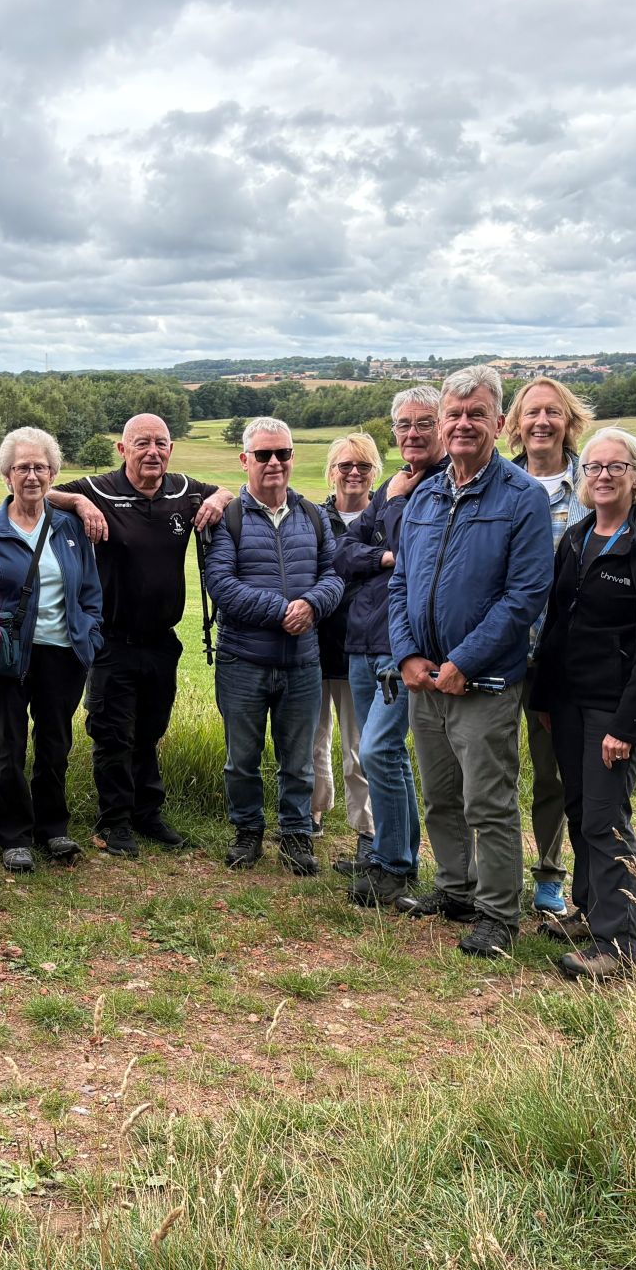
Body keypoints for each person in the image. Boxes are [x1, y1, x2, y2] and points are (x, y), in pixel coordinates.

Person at [388, 367, 553, 957]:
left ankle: (499, 912)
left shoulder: (522, 498)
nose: (462, 424)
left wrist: (461, 660)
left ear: (498, 422)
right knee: (439, 794)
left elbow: (525, 594)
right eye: (453, 415)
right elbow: (401, 581)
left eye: (475, 414)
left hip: (482, 681)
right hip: (423, 680)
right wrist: (406, 653)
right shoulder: (426, 495)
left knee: (487, 800)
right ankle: (455, 889)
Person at [531, 428, 636, 981]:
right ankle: (589, 909)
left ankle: (617, 944)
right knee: (579, 811)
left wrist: (627, 725)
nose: (601, 476)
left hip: (613, 709)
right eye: (593, 467)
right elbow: (556, 629)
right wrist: (546, 698)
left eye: (615, 467)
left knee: (605, 818)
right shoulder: (577, 539)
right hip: (568, 704)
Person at [50, 413, 228, 856]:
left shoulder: (184, 491)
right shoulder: (98, 488)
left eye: (161, 443)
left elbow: (227, 489)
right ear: (122, 449)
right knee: (113, 734)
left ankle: (148, 814)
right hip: (112, 640)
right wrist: (81, 504)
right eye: (142, 443)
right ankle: (113, 823)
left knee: (150, 730)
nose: (153, 452)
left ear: (171, 449)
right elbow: (42, 492)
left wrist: (221, 500)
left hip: (162, 640)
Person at [201, 417, 343, 875]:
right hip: (243, 661)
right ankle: (247, 832)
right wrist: (281, 609)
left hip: (303, 663)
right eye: (263, 455)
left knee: (298, 762)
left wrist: (313, 605)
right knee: (241, 759)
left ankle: (296, 835)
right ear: (245, 461)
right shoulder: (230, 519)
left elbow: (334, 574)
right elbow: (219, 583)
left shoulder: (314, 515)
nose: (274, 462)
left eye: (282, 453)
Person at [338, 387, 442, 909]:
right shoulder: (392, 485)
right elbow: (344, 551)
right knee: (377, 752)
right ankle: (387, 854)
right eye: (403, 424)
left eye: (424, 423)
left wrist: (396, 506)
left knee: (381, 748)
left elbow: (418, 556)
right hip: (363, 636)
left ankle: (398, 864)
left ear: (442, 426)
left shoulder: (438, 485)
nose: (413, 433)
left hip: (401, 644)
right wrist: (384, 554)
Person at [0, 428, 104, 872]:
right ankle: (13, 836)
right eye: (22, 468)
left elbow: (90, 589)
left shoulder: (70, 527)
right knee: (8, 748)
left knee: (55, 745)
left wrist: (89, 636)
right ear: (6, 476)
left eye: (40, 467)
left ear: (53, 473)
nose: (31, 476)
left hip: (63, 654)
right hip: (8, 657)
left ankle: (53, 829)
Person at [505, 376, 595, 921]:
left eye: (553, 412)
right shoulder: (500, 481)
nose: (541, 421)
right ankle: (482, 872)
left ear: (570, 421)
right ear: (516, 423)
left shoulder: (596, 482)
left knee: (555, 774)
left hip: (561, 658)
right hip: (500, 650)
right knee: (489, 769)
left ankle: (550, 875)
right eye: (532, 412)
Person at [311, 433, 380, 873]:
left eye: (362, 465)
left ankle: (367, 832)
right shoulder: (313, 517)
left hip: (365, 647)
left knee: (360, 749)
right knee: (310, 742)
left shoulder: (386, 516)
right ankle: (311, 815)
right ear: (331, 471)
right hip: (315, 646)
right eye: (344, 465)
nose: (352, 473)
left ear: (375, 472)